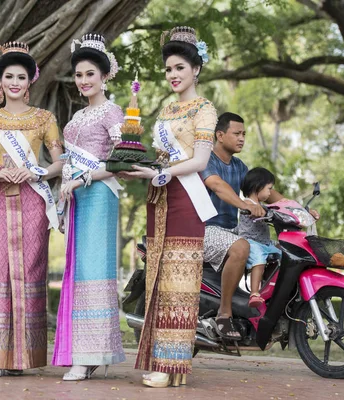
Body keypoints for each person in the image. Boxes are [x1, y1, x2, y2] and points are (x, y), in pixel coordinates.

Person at [120, 26, 217, 388]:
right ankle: (167, 364)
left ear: (196, 69)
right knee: (158, 281)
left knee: (181, 281)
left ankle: (171, 365)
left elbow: (199, 161)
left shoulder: (206, 110)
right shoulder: (166, 109)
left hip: (185, 200)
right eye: (168, 70)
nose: (173, 75)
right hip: (159, 198)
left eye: (179, 68)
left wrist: (158, 172)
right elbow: (160, 157)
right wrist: (140, 170)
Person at [0, 41, 63, 378]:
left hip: (32, 202)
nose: (15, 82)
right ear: (0, 81)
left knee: (30, 273)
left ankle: (24, 358)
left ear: (30, 81)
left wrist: (37, 170)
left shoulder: (44, 119)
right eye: (9, 76)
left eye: (21, 76)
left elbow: (60, 161)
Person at [201, 112, 319, 337]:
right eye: (237, 133)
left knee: (283, 249)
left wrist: (300, 213)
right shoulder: (206, 159)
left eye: (244, 134)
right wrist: (244, 205)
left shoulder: (239, 166)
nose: (242, 138)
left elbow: (267, 192)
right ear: (220, 135)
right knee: (242, 247)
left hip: (231, 231)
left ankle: (268, 310)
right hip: (206, 230)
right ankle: (224, 315)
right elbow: (217, 185)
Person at [52, 33, 125, 381]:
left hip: (98, 194)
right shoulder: (79, 114)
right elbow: (68, 159)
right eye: (79, 75)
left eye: (89, 75)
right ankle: (86, 352)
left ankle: (92, 354)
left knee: (94, 272)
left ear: (104, 75)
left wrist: (82, 179)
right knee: (79, 272)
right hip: (77, 197)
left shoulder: (113, 112)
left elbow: (122, 161)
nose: (83, 81)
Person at [238, 167, 282, 307]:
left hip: (265, 242)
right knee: (258, 258)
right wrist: (256, 210)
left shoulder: (261, 205)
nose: (270, 192)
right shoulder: (248, 203)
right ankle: (254, 293)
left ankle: (269, 285)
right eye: (269, 188)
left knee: (284, 252)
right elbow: (248, 208)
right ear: (258, 186)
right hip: (251, 242)